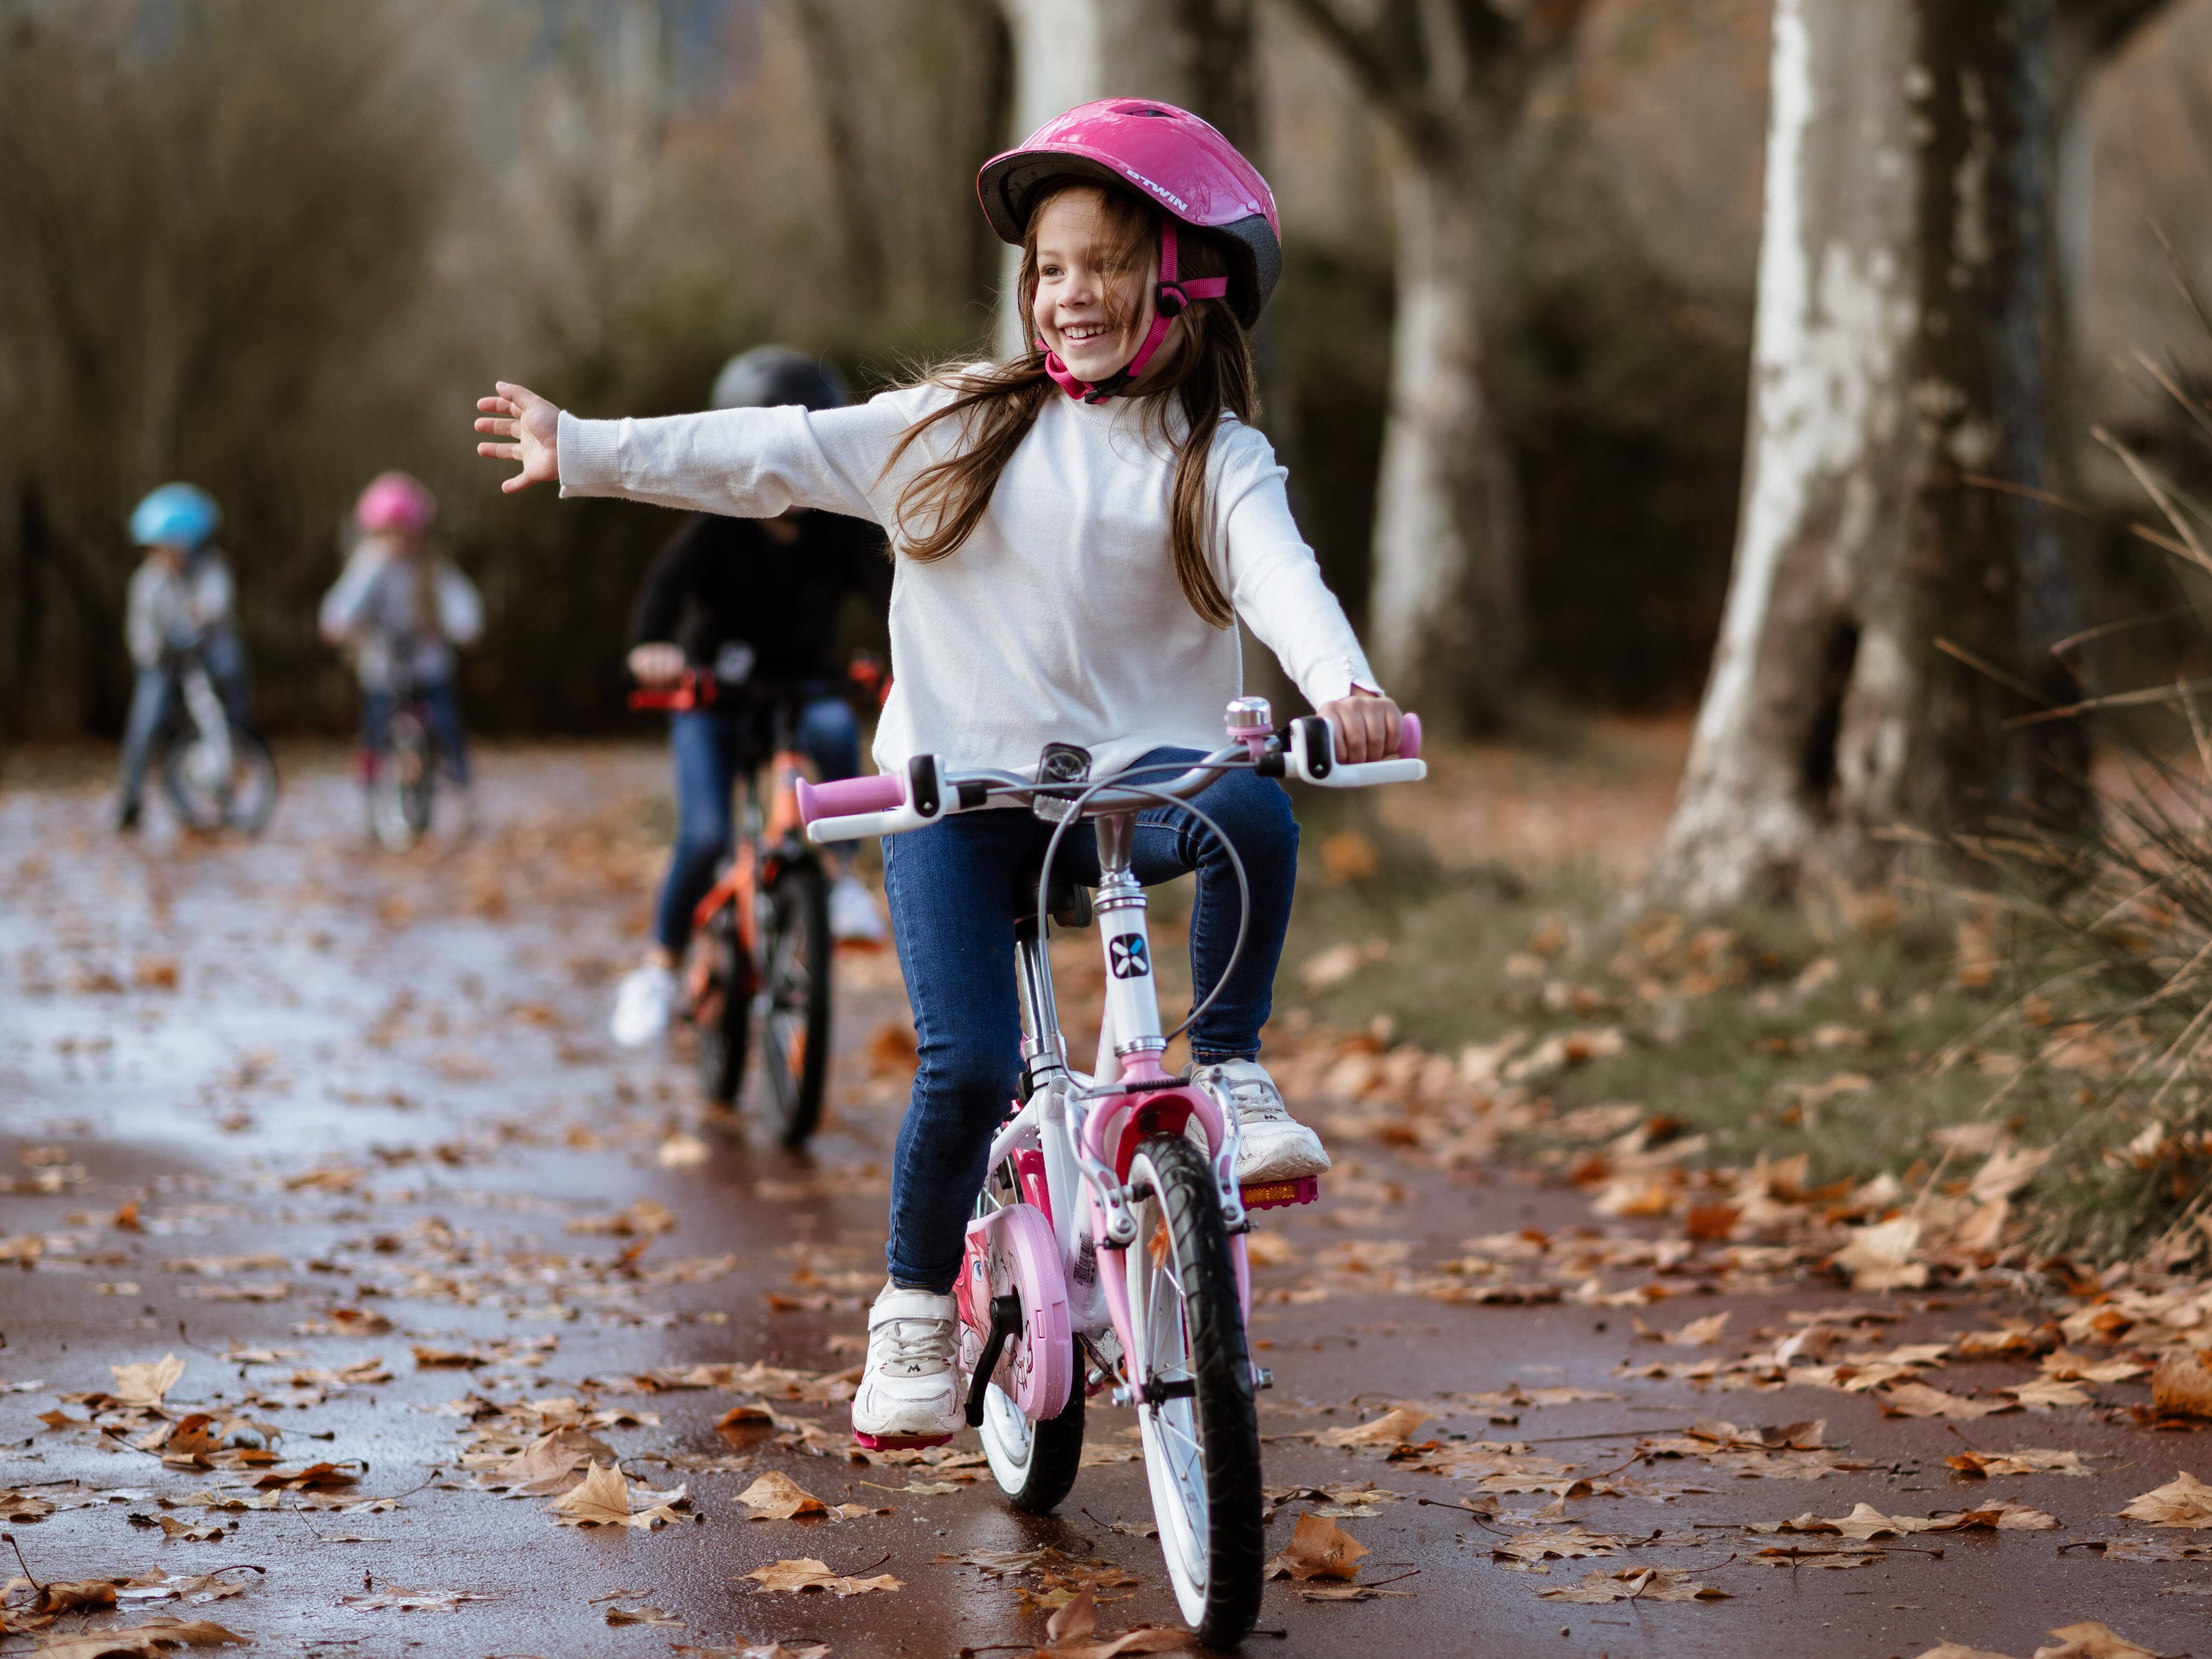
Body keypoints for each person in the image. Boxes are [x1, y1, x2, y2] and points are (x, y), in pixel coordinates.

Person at [476, 99, 1406, 1445]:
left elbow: (1285, 579)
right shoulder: (957, 425)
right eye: (1050, 269)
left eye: (1103, 263)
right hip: (956, 804)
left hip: (1136, 795)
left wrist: (1344, 689)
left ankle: (1235, 1067)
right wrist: (594, 449)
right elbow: (771, 451)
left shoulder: (1216, 460)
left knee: (1250, 805)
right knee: (967, 1069)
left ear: (1185, 282)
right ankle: (915, 1307)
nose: (1069, 293)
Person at [609, 346, 894, 1051]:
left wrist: (910, 658)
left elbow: (897, 599)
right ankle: (658, 968)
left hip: (803, 690)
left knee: (833, 729)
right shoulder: (716, 524)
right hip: (715, 698)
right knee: (705, 835)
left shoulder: (842, 530)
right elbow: (665, 591)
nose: (784, 473)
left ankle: (837, 879)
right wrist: (653, 647)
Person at [318, 473, 483, 825]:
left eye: (403, 533)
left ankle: (463, 787)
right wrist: (337, 623)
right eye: (388, 533)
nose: (396, 541)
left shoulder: (432, 568)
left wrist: (465, 628)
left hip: (429, 663)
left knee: (447, 724)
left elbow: (459, 602)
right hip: (384, 665)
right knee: (376, 730)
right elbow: (347, 600)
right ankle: (370, 796)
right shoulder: (369, 564)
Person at [118, 484, 248, 832]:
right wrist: (151, 651)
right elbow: (139, 631)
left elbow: (217, 604)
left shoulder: (212, 569)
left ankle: (229, 790)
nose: (169, 553)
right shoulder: (147, 582)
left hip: (208, 660)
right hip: (163, 664)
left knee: (231, 720)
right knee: (144, 722)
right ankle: (130, 798)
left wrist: (202, 614)